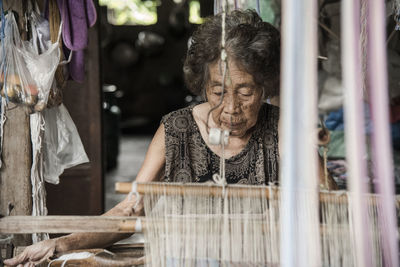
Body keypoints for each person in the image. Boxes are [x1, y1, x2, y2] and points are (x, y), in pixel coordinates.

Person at [4, 9, 337, 267]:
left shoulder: (281, 130)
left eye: (246, 91)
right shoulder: (177, 130)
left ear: (264, 87)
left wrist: (308, 152)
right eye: (218, 91)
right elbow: (130, 211)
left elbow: (328, 207)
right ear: (203, 85)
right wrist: (61, 244)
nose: (231, 107)